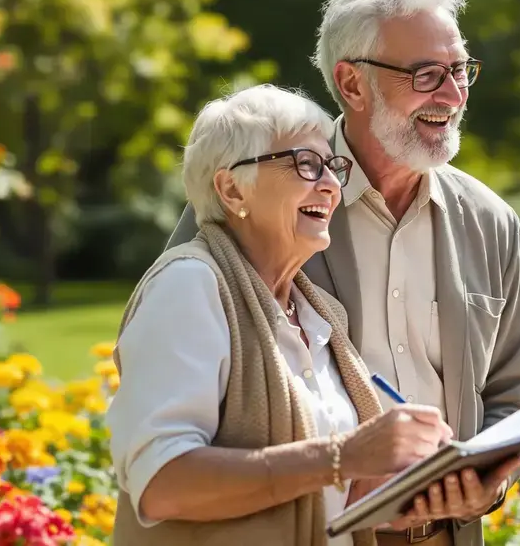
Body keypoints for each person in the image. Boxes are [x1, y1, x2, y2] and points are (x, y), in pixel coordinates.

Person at [165, 0, 520, 546]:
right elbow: (174, 357)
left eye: (460, 70)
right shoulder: (261, 197)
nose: (451, 94)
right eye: (425, 74)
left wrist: (491, 480)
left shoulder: (491, 222)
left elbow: (510, 394)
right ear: (350, 83)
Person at [108, 85, 458, 546]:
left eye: (332, 166)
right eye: (305, 165)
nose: (332, 185)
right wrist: (343, 457)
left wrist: (405, 483)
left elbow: (325, 495)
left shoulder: (320, 314)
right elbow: (161, 485)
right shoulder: (189, 285)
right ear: (232, 188)